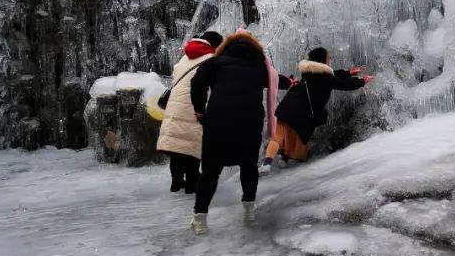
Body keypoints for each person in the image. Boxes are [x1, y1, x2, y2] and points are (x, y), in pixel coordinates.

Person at [188, 29, 287, 235]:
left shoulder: (214, 63)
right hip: (249, 123)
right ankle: (249, 213)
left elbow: (196, 84)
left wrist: (199, 110)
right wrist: (293, 81)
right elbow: (278, 81)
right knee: (248, 166)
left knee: (210, 172)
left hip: (217, 122)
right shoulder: (261, 67)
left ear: (226, 48)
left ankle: (200, 219)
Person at [262, 47, 372, 174]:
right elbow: (342, 84)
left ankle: (268, 163)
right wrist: (361, 81)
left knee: (278, 137)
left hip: (287, 106)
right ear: (322, 59)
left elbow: (332, 75)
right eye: (327, 58)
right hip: (303, 113)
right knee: (298, 141)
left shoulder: (309, 72)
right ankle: (284, 161)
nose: (329, 60)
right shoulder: (324, 76)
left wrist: (348, 73)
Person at [155, 31, 223, 193]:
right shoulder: (210, 60)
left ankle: (176, 181)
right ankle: (192, 184)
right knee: (192, 146)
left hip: (174, 107)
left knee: (177, 145)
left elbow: (176, 76)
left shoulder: (185, 58)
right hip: (193, 106)